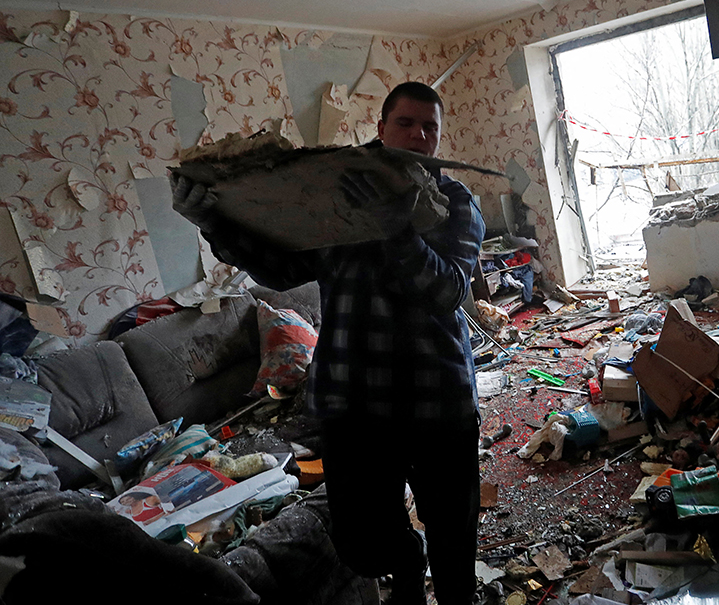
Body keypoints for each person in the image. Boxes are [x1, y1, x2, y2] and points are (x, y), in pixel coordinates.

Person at [171, 81, 485, 605]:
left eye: (430, 127)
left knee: (454, 538)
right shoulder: (336, 198)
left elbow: (446, 292)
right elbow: (282, 266)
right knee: (364, 544)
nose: (418, 135)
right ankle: (407, 564)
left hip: (436, 400)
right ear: (381, 128)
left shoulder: (452, 203)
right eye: (406, 123)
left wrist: (395, 232)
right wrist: (213, 223)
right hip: (353, 402)